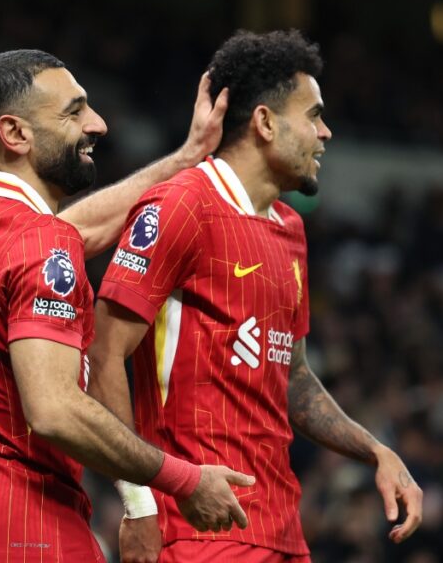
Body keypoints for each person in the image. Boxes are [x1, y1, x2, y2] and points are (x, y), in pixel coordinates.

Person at [0, 49, 255, 563]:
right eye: (73, 112)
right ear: (14, 134)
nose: (98, 124)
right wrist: (183, 480)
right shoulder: (38, 244)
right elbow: (55, 410)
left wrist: (185, 157)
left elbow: (66, 237)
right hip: (19, 529)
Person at [88, 30, 424, 563]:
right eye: (313, 115)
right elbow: (104, 352)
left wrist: (375, 451)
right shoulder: (182, 206)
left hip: (281, 530)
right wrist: (139, 503)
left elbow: (293, 378)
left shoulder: (289, 228)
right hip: (197, 529)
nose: (326, 133)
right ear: (265, 122)